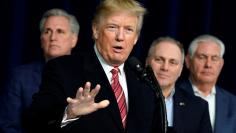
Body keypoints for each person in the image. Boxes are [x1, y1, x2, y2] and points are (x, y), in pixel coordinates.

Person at [23, 0, 161, 133]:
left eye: (129, 30)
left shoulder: (143, 79)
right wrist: (69, 114)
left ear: (136, 37)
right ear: (95, 30)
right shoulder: (63, 69)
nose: (120, 37)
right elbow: (34, 125)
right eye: (112, 27)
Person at [0, 8, 79, 133]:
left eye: (60, 31)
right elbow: (8, 125)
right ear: (41, 39)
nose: (53, 37)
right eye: (47, 31)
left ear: (73, 40)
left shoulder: (86, 76)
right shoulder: (20, 77)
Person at [145, 37, 212, 133]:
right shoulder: (128, 97)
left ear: (180, 69)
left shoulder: (199, 107)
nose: (165, 67)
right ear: (147, 62)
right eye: (159, 60)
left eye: (173, 62)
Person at [177, 34, 236, 133]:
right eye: (202, 57)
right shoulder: (173, 96)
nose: (208, 64)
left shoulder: (233, 103)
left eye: (214, 58)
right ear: (188, 61)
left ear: (221, 64)